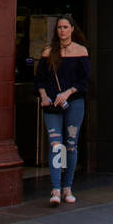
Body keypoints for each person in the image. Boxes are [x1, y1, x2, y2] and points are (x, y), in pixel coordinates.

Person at [36, 14, 90, 205]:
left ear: (73, 29)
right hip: (52, 106)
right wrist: (43, 96)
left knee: (71, 144)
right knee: (56, 146)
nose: (62, 31)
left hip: (74, 104)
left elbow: (84, 81)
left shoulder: (81, 51)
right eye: (59, 27)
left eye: (66, 27)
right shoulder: (48, 52)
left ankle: (68, 187)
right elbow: (40, 80)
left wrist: (68, 93)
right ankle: (56, 189)